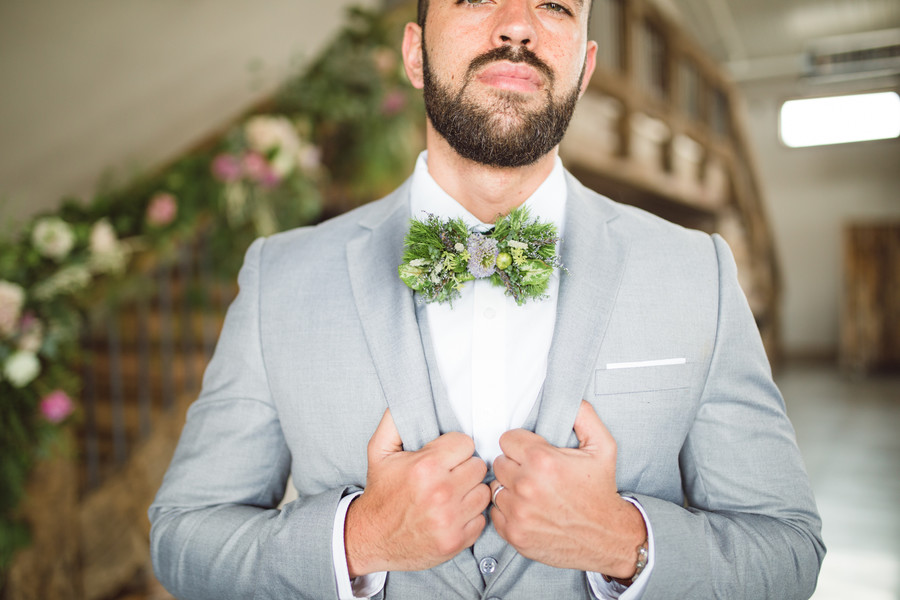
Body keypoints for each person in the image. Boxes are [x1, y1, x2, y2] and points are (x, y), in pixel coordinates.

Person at [149, 0, 825, 598]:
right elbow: (184, 538)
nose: (516, 27)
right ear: (415, 53)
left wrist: (626, 540)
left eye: (555, 5)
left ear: (585, 69)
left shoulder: (695, 272)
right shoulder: (280, 278)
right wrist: (357, 539)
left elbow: (789, 552)